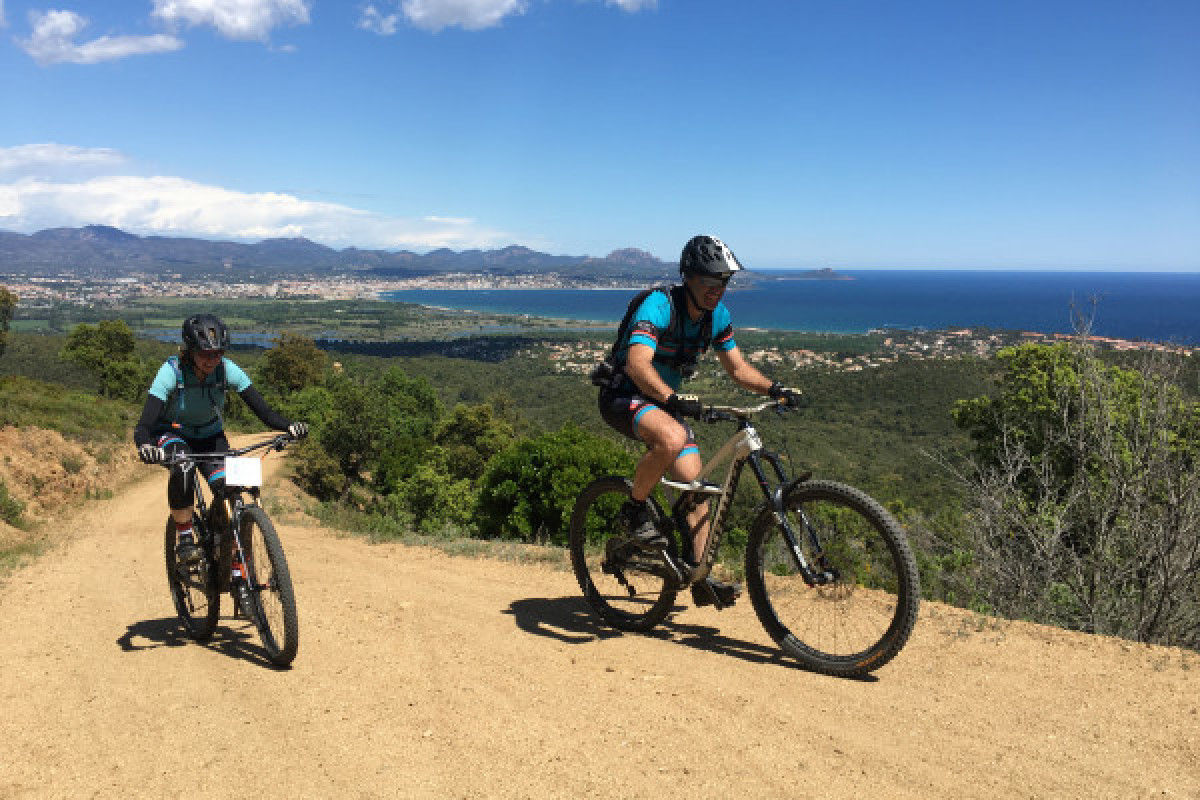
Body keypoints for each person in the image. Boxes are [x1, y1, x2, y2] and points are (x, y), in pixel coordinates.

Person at [597, 235, 801, 608]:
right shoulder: (660, 305)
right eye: (709, 281)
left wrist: (776, 389)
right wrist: (673, 398)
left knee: (696, 490)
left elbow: (737, 368)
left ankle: (698, 573)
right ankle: (633, 509)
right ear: (688, 278)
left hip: (664, 402)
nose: (717, 290)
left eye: (723, 282)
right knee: (672, 438)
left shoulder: (716, 317)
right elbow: (638, 363)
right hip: (624, 395)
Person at [133, 314, 308, 565]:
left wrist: (290, 426)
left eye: (217, 354)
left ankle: (227, 546)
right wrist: (146, 446)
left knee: (232, 486)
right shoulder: (171, 372)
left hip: (210, 435)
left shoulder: (228, 370)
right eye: (205, 354)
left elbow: (265, 412)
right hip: (173, 433)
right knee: (183, 465)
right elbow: (144, 426)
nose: (212, 360)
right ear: (190, 350)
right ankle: (184, 539)